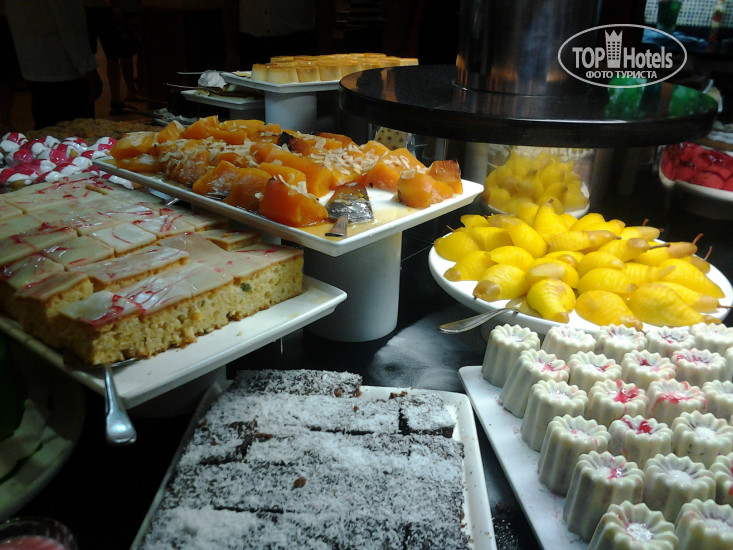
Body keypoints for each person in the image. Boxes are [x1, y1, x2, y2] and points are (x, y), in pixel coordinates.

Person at [5, 0, 102, 130]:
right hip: (63, 67)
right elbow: (70, 24)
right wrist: (87, 67)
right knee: (77, 132)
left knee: (46, 128)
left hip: (34, 66)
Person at [84, 0, 139, 115]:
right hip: (104, 8)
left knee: (90, 55)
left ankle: (89, 100)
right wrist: (116, 8)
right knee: (113, 55)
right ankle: (115, 100)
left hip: (86, 8)